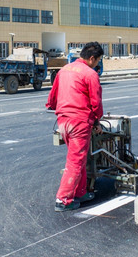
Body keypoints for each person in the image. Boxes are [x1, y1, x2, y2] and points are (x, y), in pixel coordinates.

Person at [46, 42, 104, 212]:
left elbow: (52, 97)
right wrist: (96, 121)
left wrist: (56, 107)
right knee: (75, 161)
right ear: (92, 58)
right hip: (79, 122)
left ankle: (81, 192)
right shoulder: (90, 74)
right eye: (98, 60)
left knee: (79, 158)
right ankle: (63, 200)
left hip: (63, 120)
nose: (98, 63)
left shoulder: (64, 70)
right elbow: (96, 103)